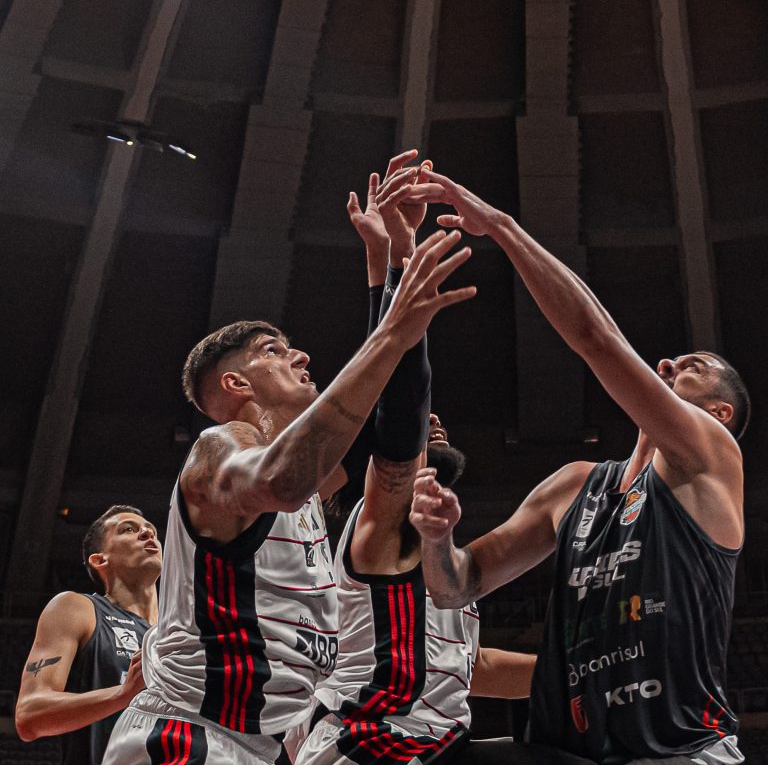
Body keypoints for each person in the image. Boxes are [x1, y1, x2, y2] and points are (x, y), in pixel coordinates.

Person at [101, 162, 476, 765]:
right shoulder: (217, 451)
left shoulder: (316, 492)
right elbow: (280, 479)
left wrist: (390, 263)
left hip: (270, 745)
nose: (300, 355)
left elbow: (397, 436)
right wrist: (391, 330)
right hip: (186, 733)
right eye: (273, 350)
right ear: (235, 383)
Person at [407, 170, 750, 765]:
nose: (669, 363)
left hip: (678, 750)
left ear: (719, 413)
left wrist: (502, 227)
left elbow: (595, 338)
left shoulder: (713, 456)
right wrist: (437, 538)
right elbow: (455, 585)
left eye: (694, 366)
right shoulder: (573, 486)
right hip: (570, 749)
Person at [295, 413, 537, 765]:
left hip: (433, 742)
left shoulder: (441, 558)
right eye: (422, 417)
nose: (435, 418)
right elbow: (398, 445)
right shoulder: (382, 524)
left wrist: (577, 674)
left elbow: (473, 666)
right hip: (366, 733)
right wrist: (403, 399)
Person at [16, 505, 161, 765]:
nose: (147, 534)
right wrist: (122, 695)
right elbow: (30, 715)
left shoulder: (183, 631)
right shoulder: (76, 608)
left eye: (151, 530)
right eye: (129, 529)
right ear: (100, 559)